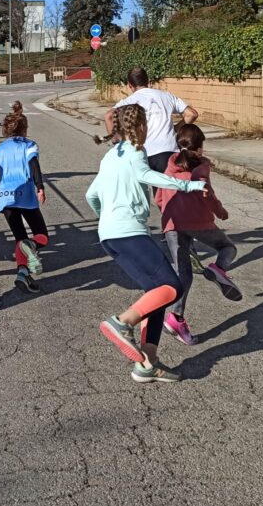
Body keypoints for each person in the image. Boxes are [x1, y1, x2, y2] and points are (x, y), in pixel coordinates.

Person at [86, 104, 208, 384]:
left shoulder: (110, 156)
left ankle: (147, 364)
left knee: (156, 293)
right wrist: (188, 185)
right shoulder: (136, 152)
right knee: (172, 287)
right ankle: (121, 322)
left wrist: (107, 219)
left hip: (109, 235)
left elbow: (91, 195)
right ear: (141, 126)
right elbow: (146, 176)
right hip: (129, 231)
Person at [154, 123, 242, 344]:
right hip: (198, 222)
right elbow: (207, 194)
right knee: (227, 247)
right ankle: (218, 269)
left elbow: (159, 197)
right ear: (200, 147)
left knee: (183, 274)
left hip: (172, 223)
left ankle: (175, 318)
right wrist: (220, 212)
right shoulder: (202, 167)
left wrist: (168, 213)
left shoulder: (169, 166)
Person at [0, 101, 48, 294]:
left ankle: (22, 274)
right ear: (25, 129)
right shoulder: (29, 145)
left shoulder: (0, 149)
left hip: (5, 198)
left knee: (19, 238)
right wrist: (40, 186)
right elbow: (33, 164)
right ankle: (31, 245)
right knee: (42, 236)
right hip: (25, 196)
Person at [104, 67, 198, 174]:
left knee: (147, 183)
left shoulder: (128, 101)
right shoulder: (167, 96)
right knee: (169, 184)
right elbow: (192, 114)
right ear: (148, 81)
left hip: (143, 154)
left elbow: (108, 116)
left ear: (129, 85)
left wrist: (118, 141)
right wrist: (175, 128)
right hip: (168, 152)